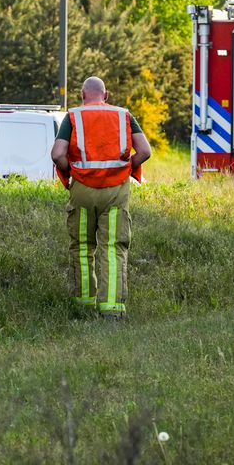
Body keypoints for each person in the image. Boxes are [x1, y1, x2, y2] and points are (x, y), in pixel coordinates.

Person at [50, 77, 152, 318]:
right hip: (116, 192)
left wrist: (71, 171)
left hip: (83, 191)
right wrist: (126, 169)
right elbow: (145, 151)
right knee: (113, 249)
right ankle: (112, 309)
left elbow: (57, 154)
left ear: (83, 95)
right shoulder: (124, 115)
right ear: (105, 95)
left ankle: (83, 305)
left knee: (83, 247)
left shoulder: (74, 116)